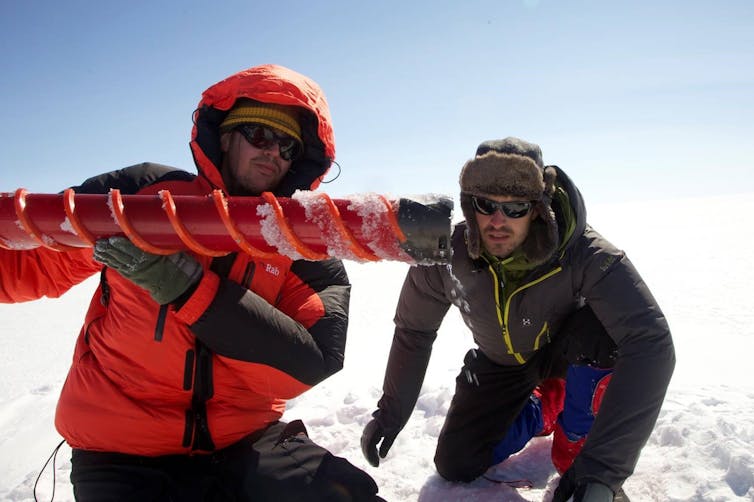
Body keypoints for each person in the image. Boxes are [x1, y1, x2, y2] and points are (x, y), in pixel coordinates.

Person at [0, 64, 384, 501]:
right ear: (224, 138)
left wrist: (185, 288)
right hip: (120, 449)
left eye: (288, 145)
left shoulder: (301, 240)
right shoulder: (141, 198)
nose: (273, 152)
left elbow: (310, 360)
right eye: (259, 134)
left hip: (245, 442)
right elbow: (24, 267)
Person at [360, 137, 675, 501]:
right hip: (501, 361)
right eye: (486, 204)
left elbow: (651, 343)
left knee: (603, 342)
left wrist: (602, 473)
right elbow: (414, 330)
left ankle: (575, 433)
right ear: (470, 203)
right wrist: (391, 412)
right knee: (457, 463)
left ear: (537, 208)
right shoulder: (449, 255)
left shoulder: (583, 251)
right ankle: (545, 404)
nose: (498, 221)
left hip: (569, 353)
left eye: (516, 208)